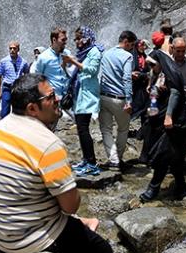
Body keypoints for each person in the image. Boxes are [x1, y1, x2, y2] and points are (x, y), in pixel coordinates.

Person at [0, 74, 126, 253]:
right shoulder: (47, 143)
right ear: (32, 108)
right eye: (50, 97)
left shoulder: (1, 127)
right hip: (27, 239)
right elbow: (70, 205)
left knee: (79, 226)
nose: (58, 99)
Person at [140, 37, 186, 201]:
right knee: (175, 158)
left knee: (164, 154)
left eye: (153, 65)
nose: (152, 68)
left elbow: (175, 93)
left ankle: (153, 188)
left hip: (177, 121)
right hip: (163, 120)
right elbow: (154, 91)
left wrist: (168, 116)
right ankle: (181, 186)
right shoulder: (160, 73)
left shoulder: (171, 73)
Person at [63, 27, 103, 176]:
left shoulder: (94, 52)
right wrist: (65, 65)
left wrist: (73, 61)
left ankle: (92, 163)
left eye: (79, 38)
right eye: (76, 39)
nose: (77, 41)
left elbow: (92, 70)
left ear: (87, 38)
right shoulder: (82, 53)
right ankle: (86, 160)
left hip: (87, 95)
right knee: (81, 129)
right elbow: (74, 74)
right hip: (79, 95)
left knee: (83, 128)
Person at [98, 30, 136, 171]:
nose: (132, 48)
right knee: (123, 129)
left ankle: (113, 160)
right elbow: (126, 78)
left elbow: (101, 74)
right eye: (132, 45)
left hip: (104, 96)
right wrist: (129, 100)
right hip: (120, 99)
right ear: (126, 42)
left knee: (106, 130)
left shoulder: (106, 53)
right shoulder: (127, 56)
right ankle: (117, 159)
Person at [31, 29, 72, 102]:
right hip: (52, 100)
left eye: (66, 39)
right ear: (54, 40)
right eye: (63, 40)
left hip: (68, 99)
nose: (65, 42)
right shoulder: (43, 57)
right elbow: (36, 78)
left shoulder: (67, 54)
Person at [0, 41, 30, 118]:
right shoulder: (3, 61)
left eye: (14, 48)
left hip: (18, 89)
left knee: (18, 112)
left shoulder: (23, 62)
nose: (12, 50)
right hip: (7, 88)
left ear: (18, 49)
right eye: (10, 48)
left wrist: (25, 89)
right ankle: (4, 124)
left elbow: (27, 75)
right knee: (4, 112)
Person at [130, 38, 152, 120]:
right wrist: (145, 75)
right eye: (142, 45)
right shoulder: (132, 56)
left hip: (142, 85)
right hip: (134, 86)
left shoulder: (144, 56)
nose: (144, 48)